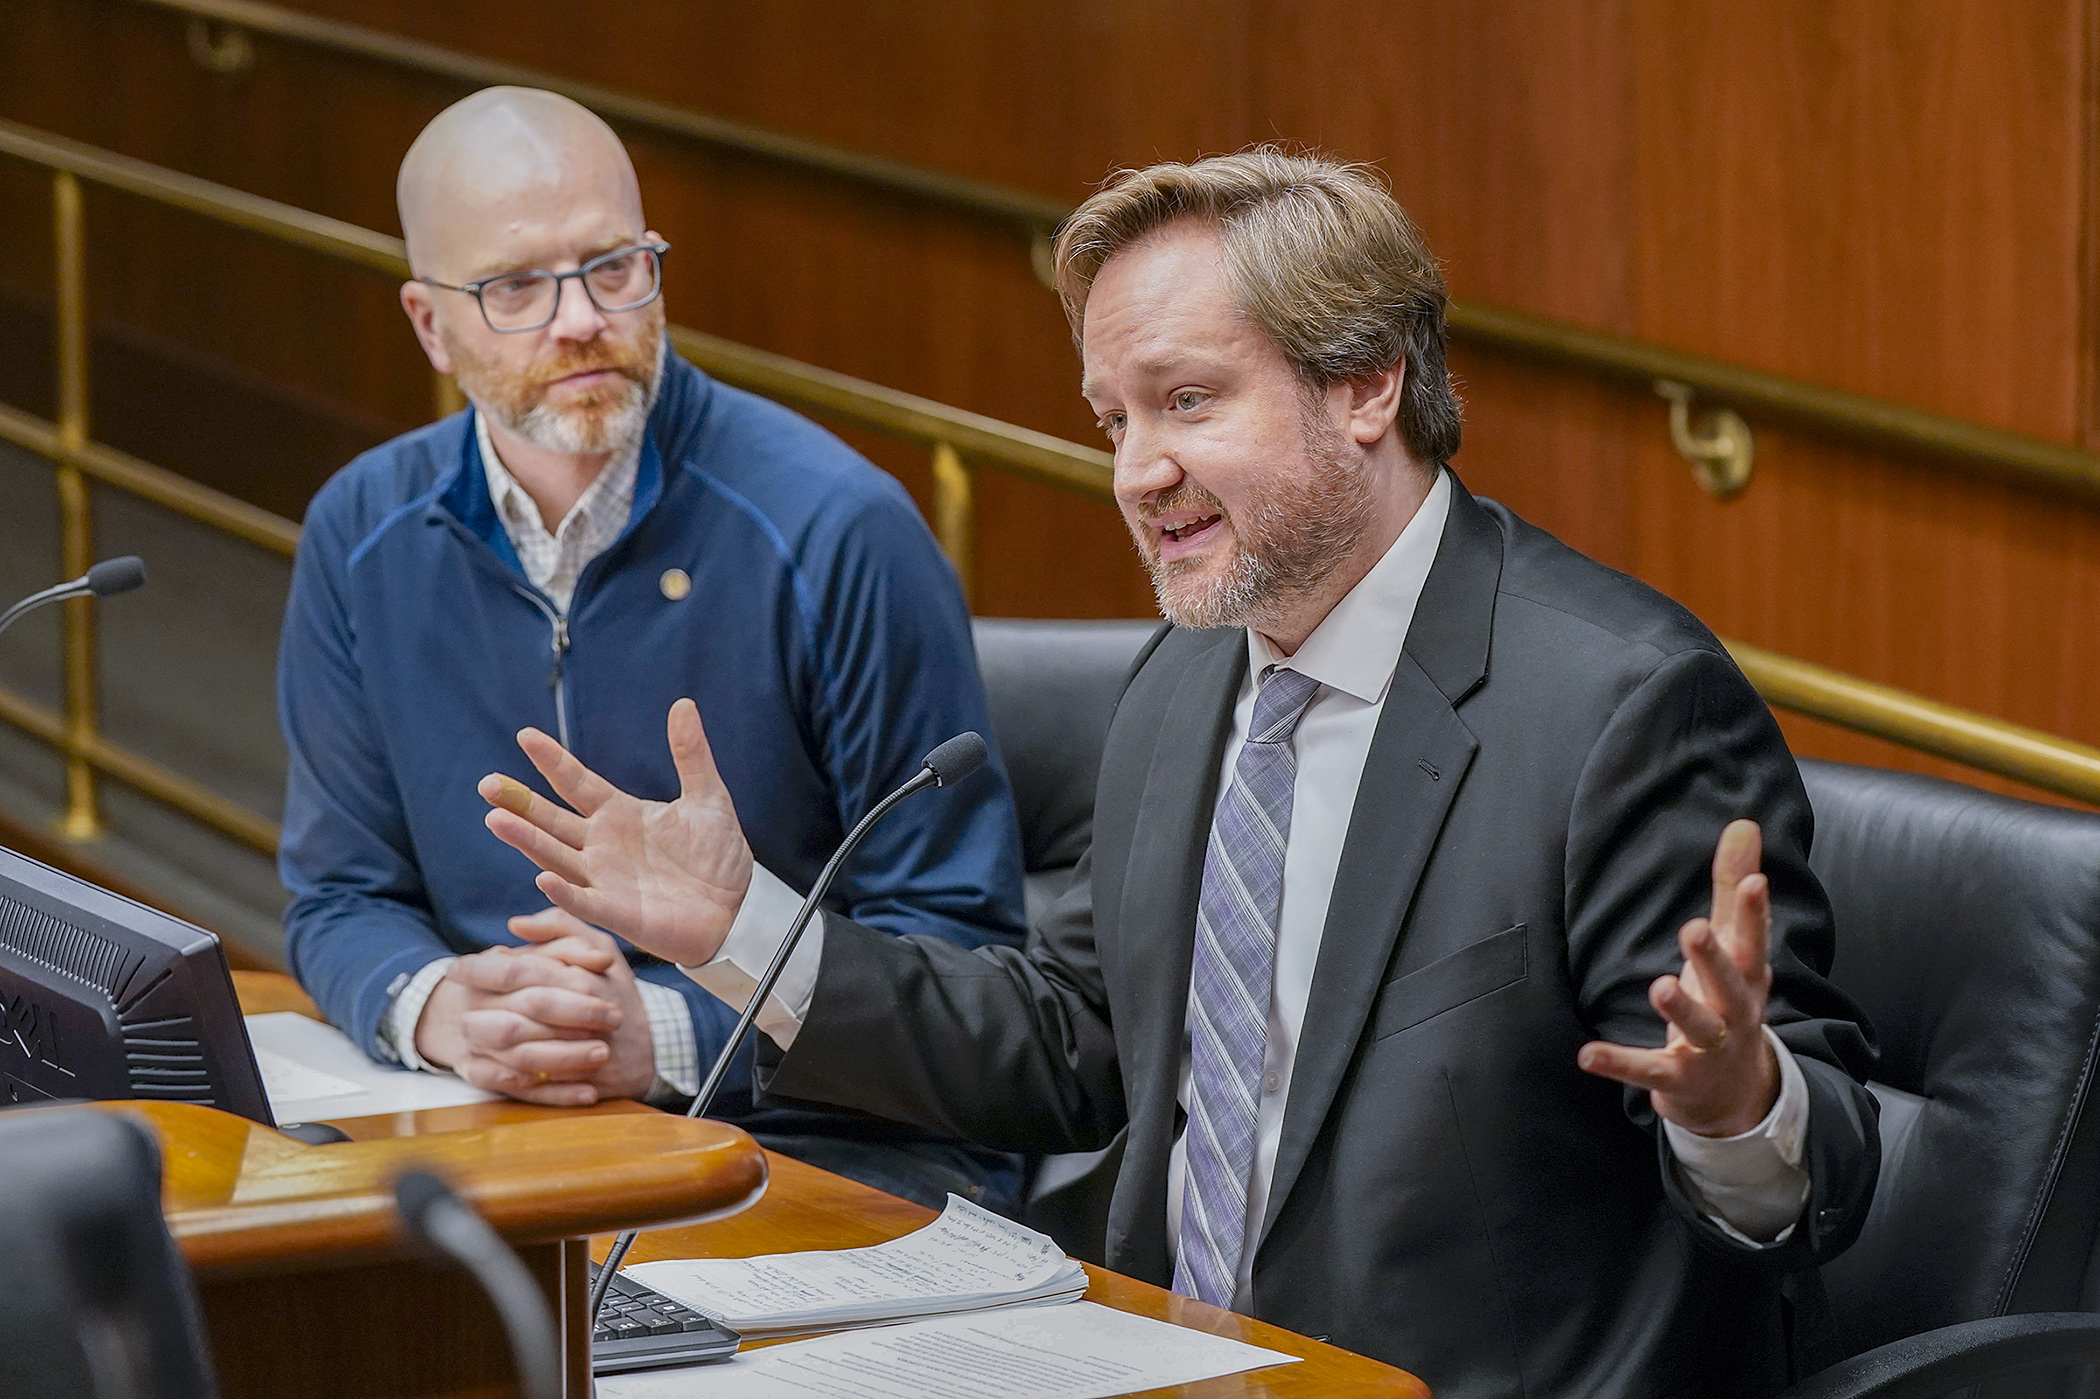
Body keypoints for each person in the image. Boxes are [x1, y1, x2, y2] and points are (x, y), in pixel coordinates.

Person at [478, 149, 1880, 1397]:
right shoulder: (1187, 681)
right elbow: (1077, 1042)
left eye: (1188, 401)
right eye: (1115, 420)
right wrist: (743, 934)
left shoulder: (1622, 705)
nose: (1140, 470)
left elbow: (1810, 1167)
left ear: (1365, 384)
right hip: (1160, 1356)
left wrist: (1736, 1105)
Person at [276, 86, 1030, 1211]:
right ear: (430, 325)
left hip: (821, 1149)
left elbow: (963, 965)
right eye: (516, 285)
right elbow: (338, 892)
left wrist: (670, 1033)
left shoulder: (838, 530)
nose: (578, 317)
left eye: (613, 266)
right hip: (498, 1134)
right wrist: (441, 1004)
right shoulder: (359, 532)